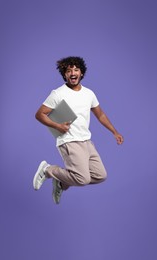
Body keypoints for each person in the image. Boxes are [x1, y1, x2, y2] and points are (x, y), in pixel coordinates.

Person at [33, 56, 124, 204]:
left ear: (81, 73)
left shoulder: (89, 93)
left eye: (76, 69)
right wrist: (57, 126)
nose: (73, 73)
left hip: (86, 141)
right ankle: (48, 170)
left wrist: (114, 132)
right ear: (65, 74)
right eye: (69, 71)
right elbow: (39, 114)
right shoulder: (58, 93)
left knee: (100, 175)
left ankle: (62, 183)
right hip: (69, 140)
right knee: (82, 179)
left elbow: (100, 114)